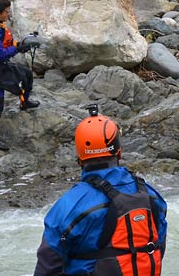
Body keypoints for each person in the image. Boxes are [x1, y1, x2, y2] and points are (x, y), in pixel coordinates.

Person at [33, 107, 168, 276]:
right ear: (118, 152)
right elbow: (158, 248)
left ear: (80, 158)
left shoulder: (68, 206)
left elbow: (48, 266)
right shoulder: (152, 196)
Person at [0, 0, 39, 151]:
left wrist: (21, 45)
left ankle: (25, 102)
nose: (8, 13)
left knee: (26, 74)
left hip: (1, 67)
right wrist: (16, 50)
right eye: (6, 11)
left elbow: (8, 45)